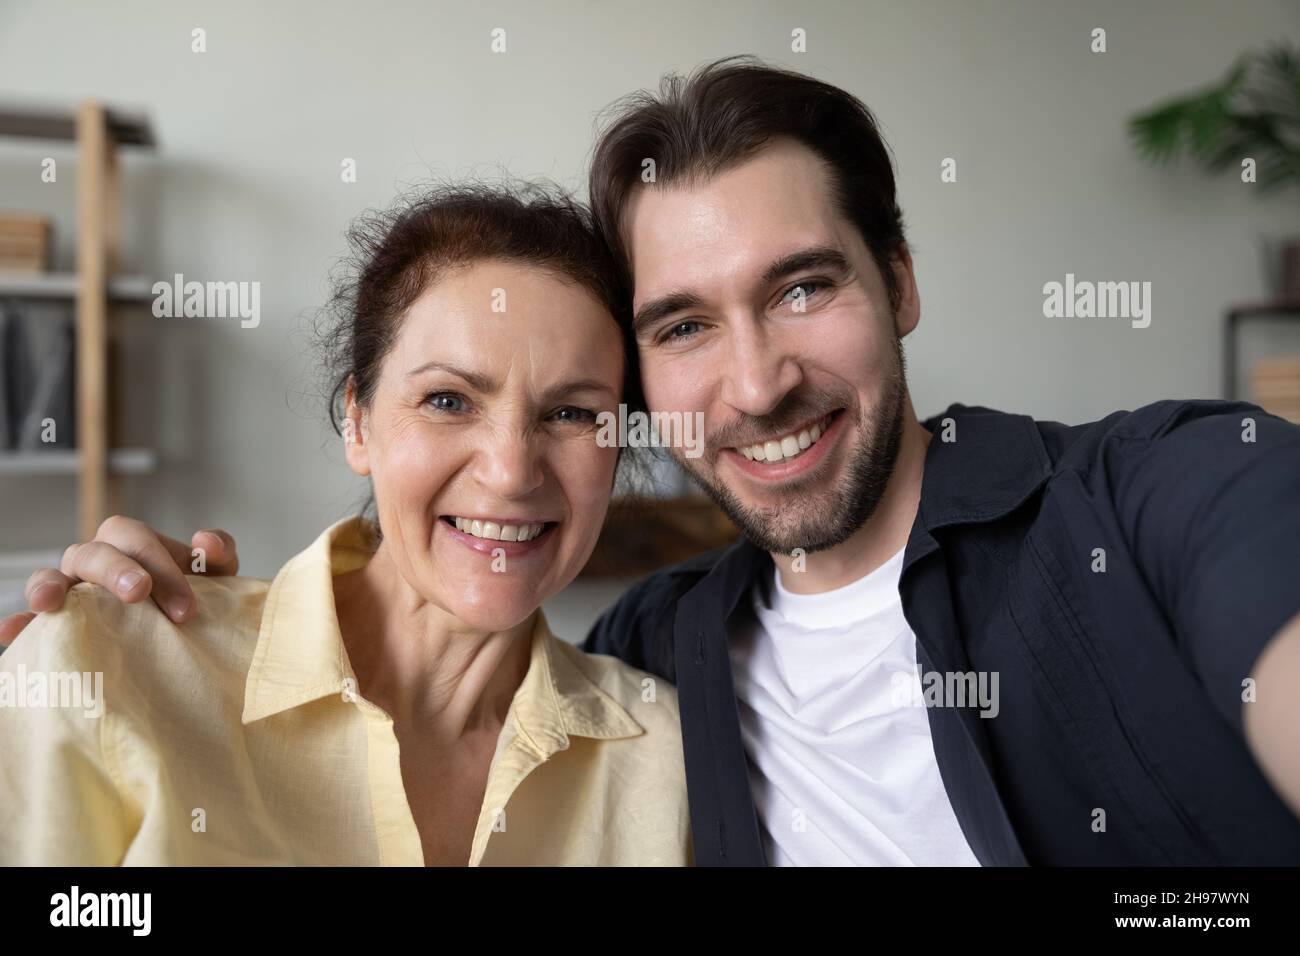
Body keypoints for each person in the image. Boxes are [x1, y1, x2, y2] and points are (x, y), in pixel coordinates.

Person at [9, 57, 1300, 866]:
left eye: (802, 289)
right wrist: (143, 620)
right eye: (683, 325)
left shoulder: (1164, 496)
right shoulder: (651, 665)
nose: (754, 380)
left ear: (898, 283)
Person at [0, 184, 691, 866]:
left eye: (570, 413)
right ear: (357, 423)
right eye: (448, 400)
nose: (512, 472)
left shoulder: (667, 758)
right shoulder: (109, 663)